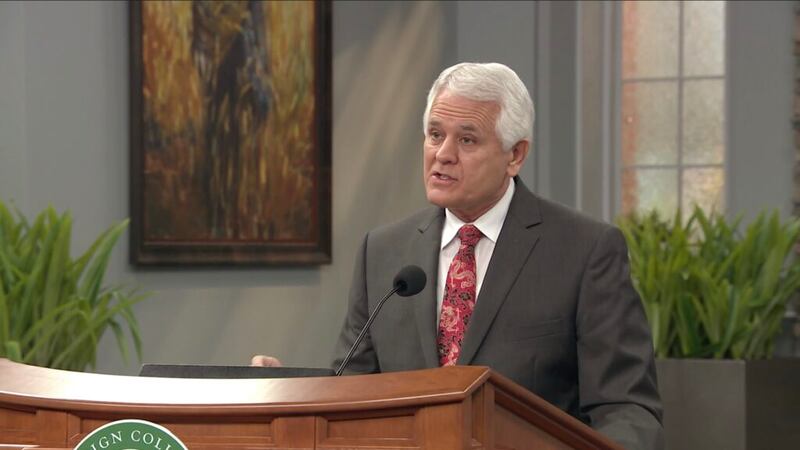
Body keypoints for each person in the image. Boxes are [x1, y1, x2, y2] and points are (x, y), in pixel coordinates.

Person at [253, 62, 663, 449]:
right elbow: (352, 395)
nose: (443, 154)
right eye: (435, 134)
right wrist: (292, 393)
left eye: (467, 140)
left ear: (515, 155)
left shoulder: (585, 250)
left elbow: (627, 410)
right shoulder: (382, 251)